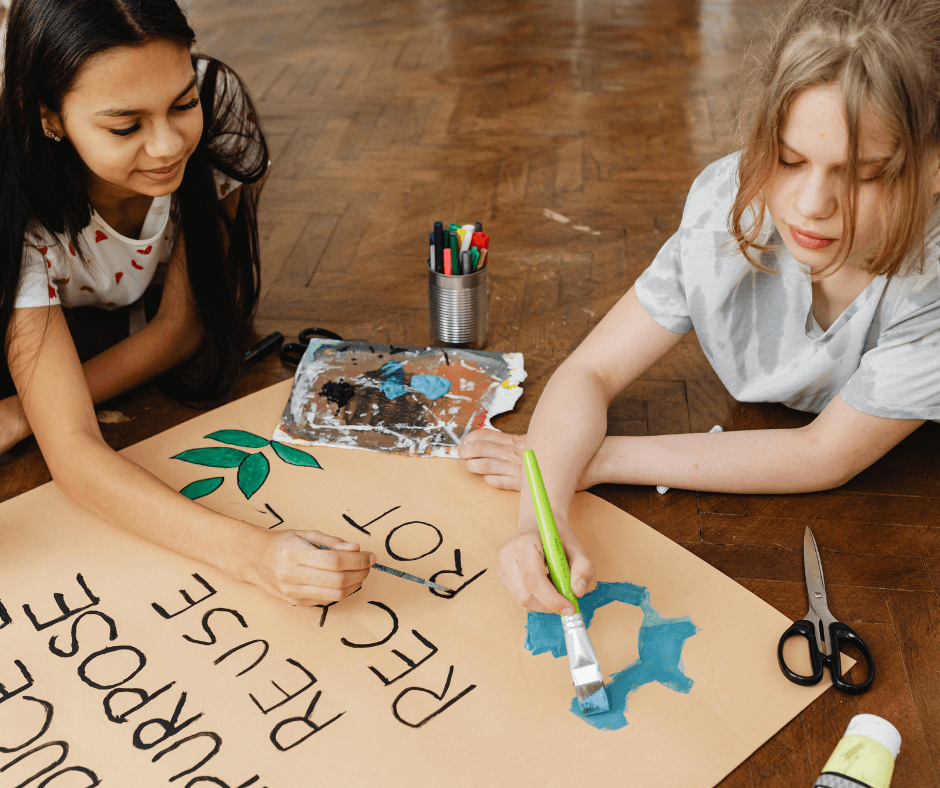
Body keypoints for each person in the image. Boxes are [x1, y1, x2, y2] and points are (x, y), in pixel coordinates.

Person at [460, 0, 940, 615]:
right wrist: (537, 524)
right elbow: (591, 371)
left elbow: (824, 453)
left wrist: (592, 456)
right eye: (790, 160)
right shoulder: (732, 205)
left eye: (864, 175)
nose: (812, 204)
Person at [0, 0, 374, 604]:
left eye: (182, 104)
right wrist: (254, 555)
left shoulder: (218, 105)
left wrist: (22, 413)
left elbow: (182, 329)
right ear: (50, 119)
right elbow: (72, 448)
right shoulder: (18, 203)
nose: (170, 144)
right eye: (125, 127)